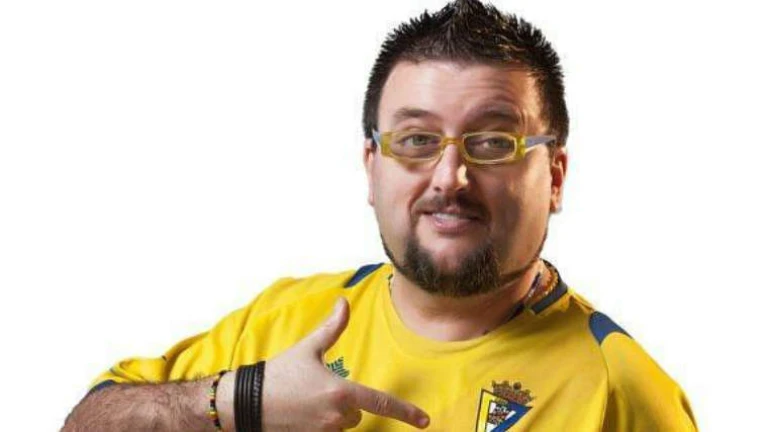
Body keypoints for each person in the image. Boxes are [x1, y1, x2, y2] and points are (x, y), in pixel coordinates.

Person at [63, 0, 697, 430]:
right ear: (372, 166)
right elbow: (86, 422)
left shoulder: (620, 391)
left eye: (493, 143)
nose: (450, 177)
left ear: (554, 176)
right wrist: (240, 402)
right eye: (417, 140)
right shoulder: (285, 323)